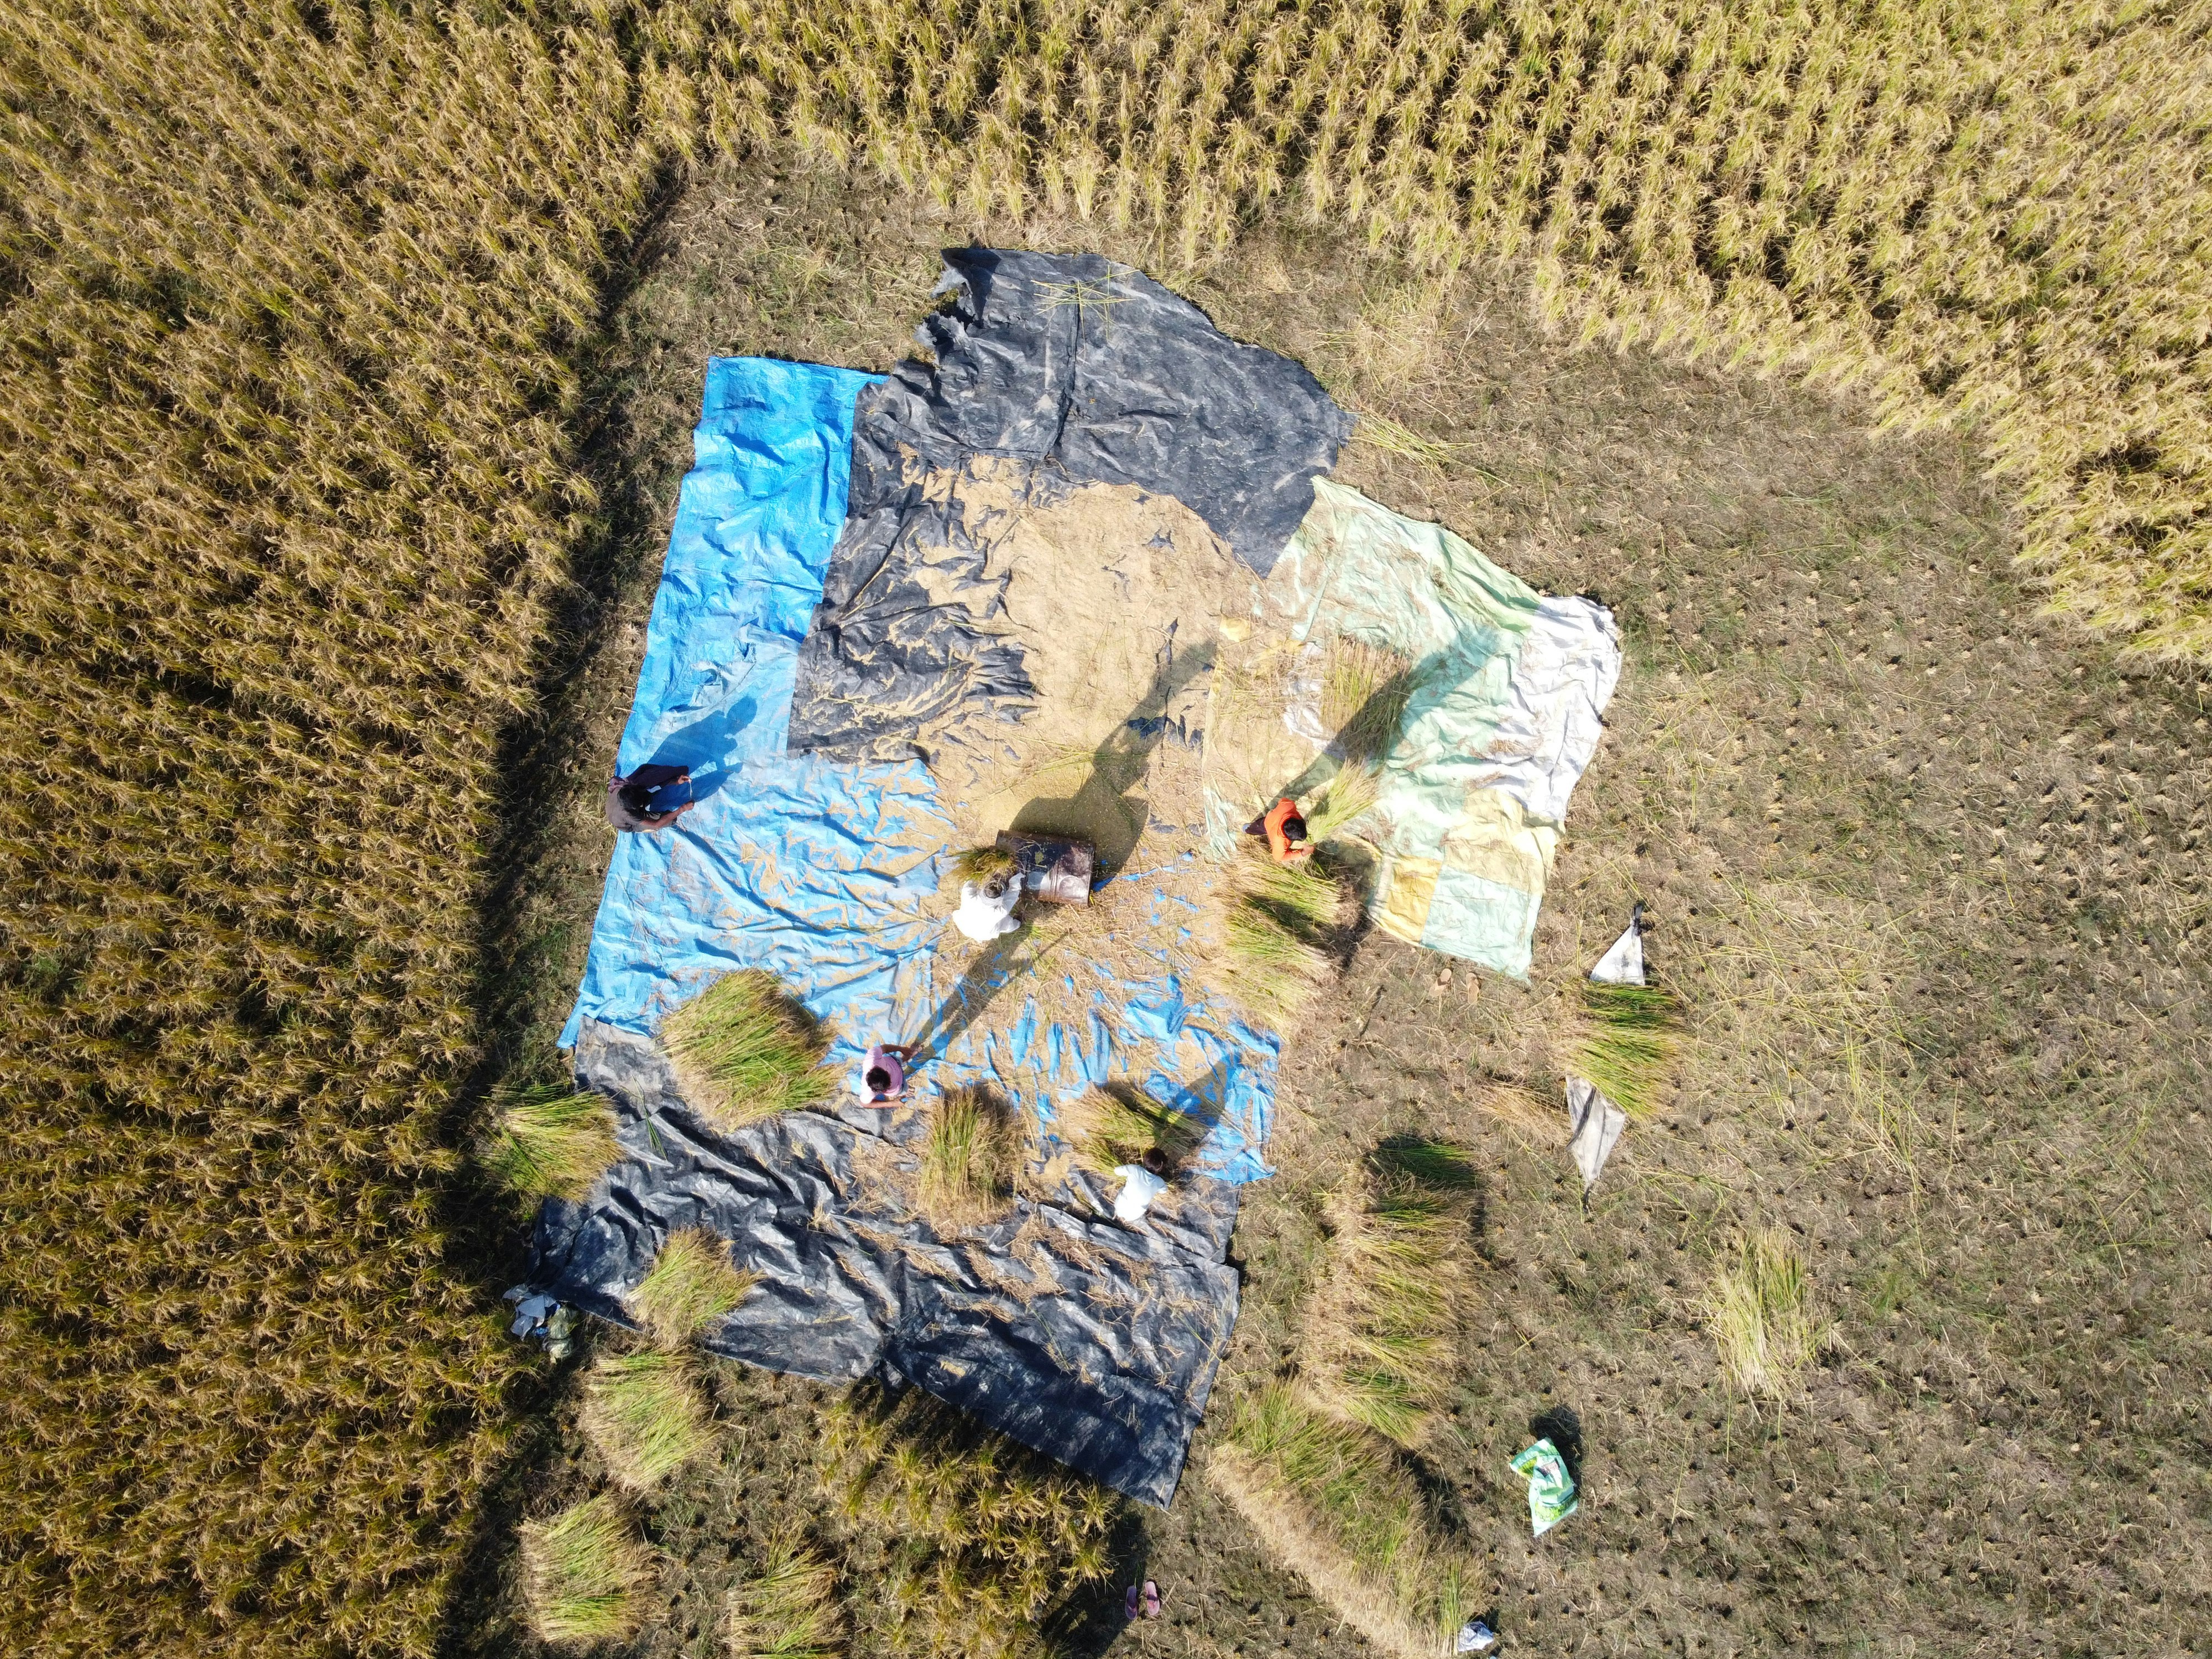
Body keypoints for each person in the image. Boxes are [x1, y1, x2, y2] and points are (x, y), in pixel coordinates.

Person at [606, 763, 696, 832]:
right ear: (636, 808)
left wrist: (675, 781)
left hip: (625, 803)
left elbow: (647, 786)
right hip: (629, 824)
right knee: (669, 820)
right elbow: (656, 825)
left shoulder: (622, 787)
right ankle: (641, 828)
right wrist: (682, 809)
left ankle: (648, 792)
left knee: (648, 782)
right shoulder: (629, 816)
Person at [1110, 1145, 1170, 1223]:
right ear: (1160, 1168)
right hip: (1134, 1216)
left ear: (1144, 1160)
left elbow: (1116, 1171)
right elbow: (1164, 1191)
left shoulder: (1134, 1169)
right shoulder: (1159, 1182)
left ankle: (1118, 1214)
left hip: (1120, 1207)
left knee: (1122, 1188)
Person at [1245, 796, 1312, 864]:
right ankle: (1246, 829)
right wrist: (1303, 853)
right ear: (1288, 838)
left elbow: (1283, 800)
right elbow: (1278, 858)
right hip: (1266, 825)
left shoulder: (1289, 806)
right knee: (1252, 829)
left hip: (1271, 818)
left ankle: (1249, 828)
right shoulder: (1280, 843)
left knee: (1259, 823)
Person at [853, 1041, 915, 1107]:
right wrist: (892, 1104)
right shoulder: (868, 1091)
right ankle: (906, 1090)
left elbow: (885, 1048)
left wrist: (902, 1049)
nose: (891, 1078)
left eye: (889, 1076)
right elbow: (864, 1104)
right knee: (905, 1090)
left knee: (901, 1060)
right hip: (899, 1087)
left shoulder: (873, 1057)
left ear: (880, 1069)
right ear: (877, 1091)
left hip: (895, 1063)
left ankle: (905, 1059)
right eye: (889, 1086)